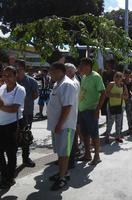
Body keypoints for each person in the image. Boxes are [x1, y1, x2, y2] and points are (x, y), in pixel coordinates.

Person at [47, 62, 78, 191]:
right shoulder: (57, 84)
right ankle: (63, 173)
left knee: (64, 153)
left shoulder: (67, 84)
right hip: (57, 125)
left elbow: (67, 107)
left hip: (64, 126)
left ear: (60, 71)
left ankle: (62, 179)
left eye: (52, 71)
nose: (50, 74)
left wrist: (60, 124)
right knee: (60, 152)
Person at [0, 66, 26, 189]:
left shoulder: (20, 90)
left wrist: (1, 106)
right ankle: (4, 174)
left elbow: (14, 108)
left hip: (12, 125)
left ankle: (10, 177)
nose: (5, 78)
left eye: (9, 75)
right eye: (4, 75)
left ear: (15, 76)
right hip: (0, 125)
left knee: (11, 153)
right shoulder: (2, 88)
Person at [78, 58, 105, 165]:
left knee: (94, 134)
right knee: (85, 134)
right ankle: (87, 154)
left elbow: (103, 94)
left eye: (81, 66)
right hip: (82, 110)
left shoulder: (96, 77)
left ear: (88, 66)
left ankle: (97, 156)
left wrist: (97, 109)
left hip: (91, 110)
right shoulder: (84, 77)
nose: (79, 68)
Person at [16, 59, 39, 168]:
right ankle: (12, 160)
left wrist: (27, 101)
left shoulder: (31, 81)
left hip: (26, 113)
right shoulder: (11, 80)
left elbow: (35, 95)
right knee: (13, 137)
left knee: (25, 136)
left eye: (18, 69)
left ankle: (26, 158)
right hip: (12, 115)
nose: (16, 71)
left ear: (23, 69)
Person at [105, 72, 128, 143]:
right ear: (114, 77)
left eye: (119, 77)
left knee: (119, 122)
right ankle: (107, 136)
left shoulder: (123, 85)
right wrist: (114, 95)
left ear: (122, 78)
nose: (118, 78)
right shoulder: (111, 84)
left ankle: (118, 137)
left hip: (120, 106)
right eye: (116, 76)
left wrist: (121, 96)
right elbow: (106, 94)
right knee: (110, 123)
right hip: (111, 106)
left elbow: (127, 96)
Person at [65, 63, 80, 169]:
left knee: (70, 140)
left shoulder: (72, 83)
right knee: (69, 140)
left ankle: (69, 162)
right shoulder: (70, 82)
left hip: (69, 116)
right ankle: (67, 160)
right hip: (68, 116)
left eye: (67, 70)